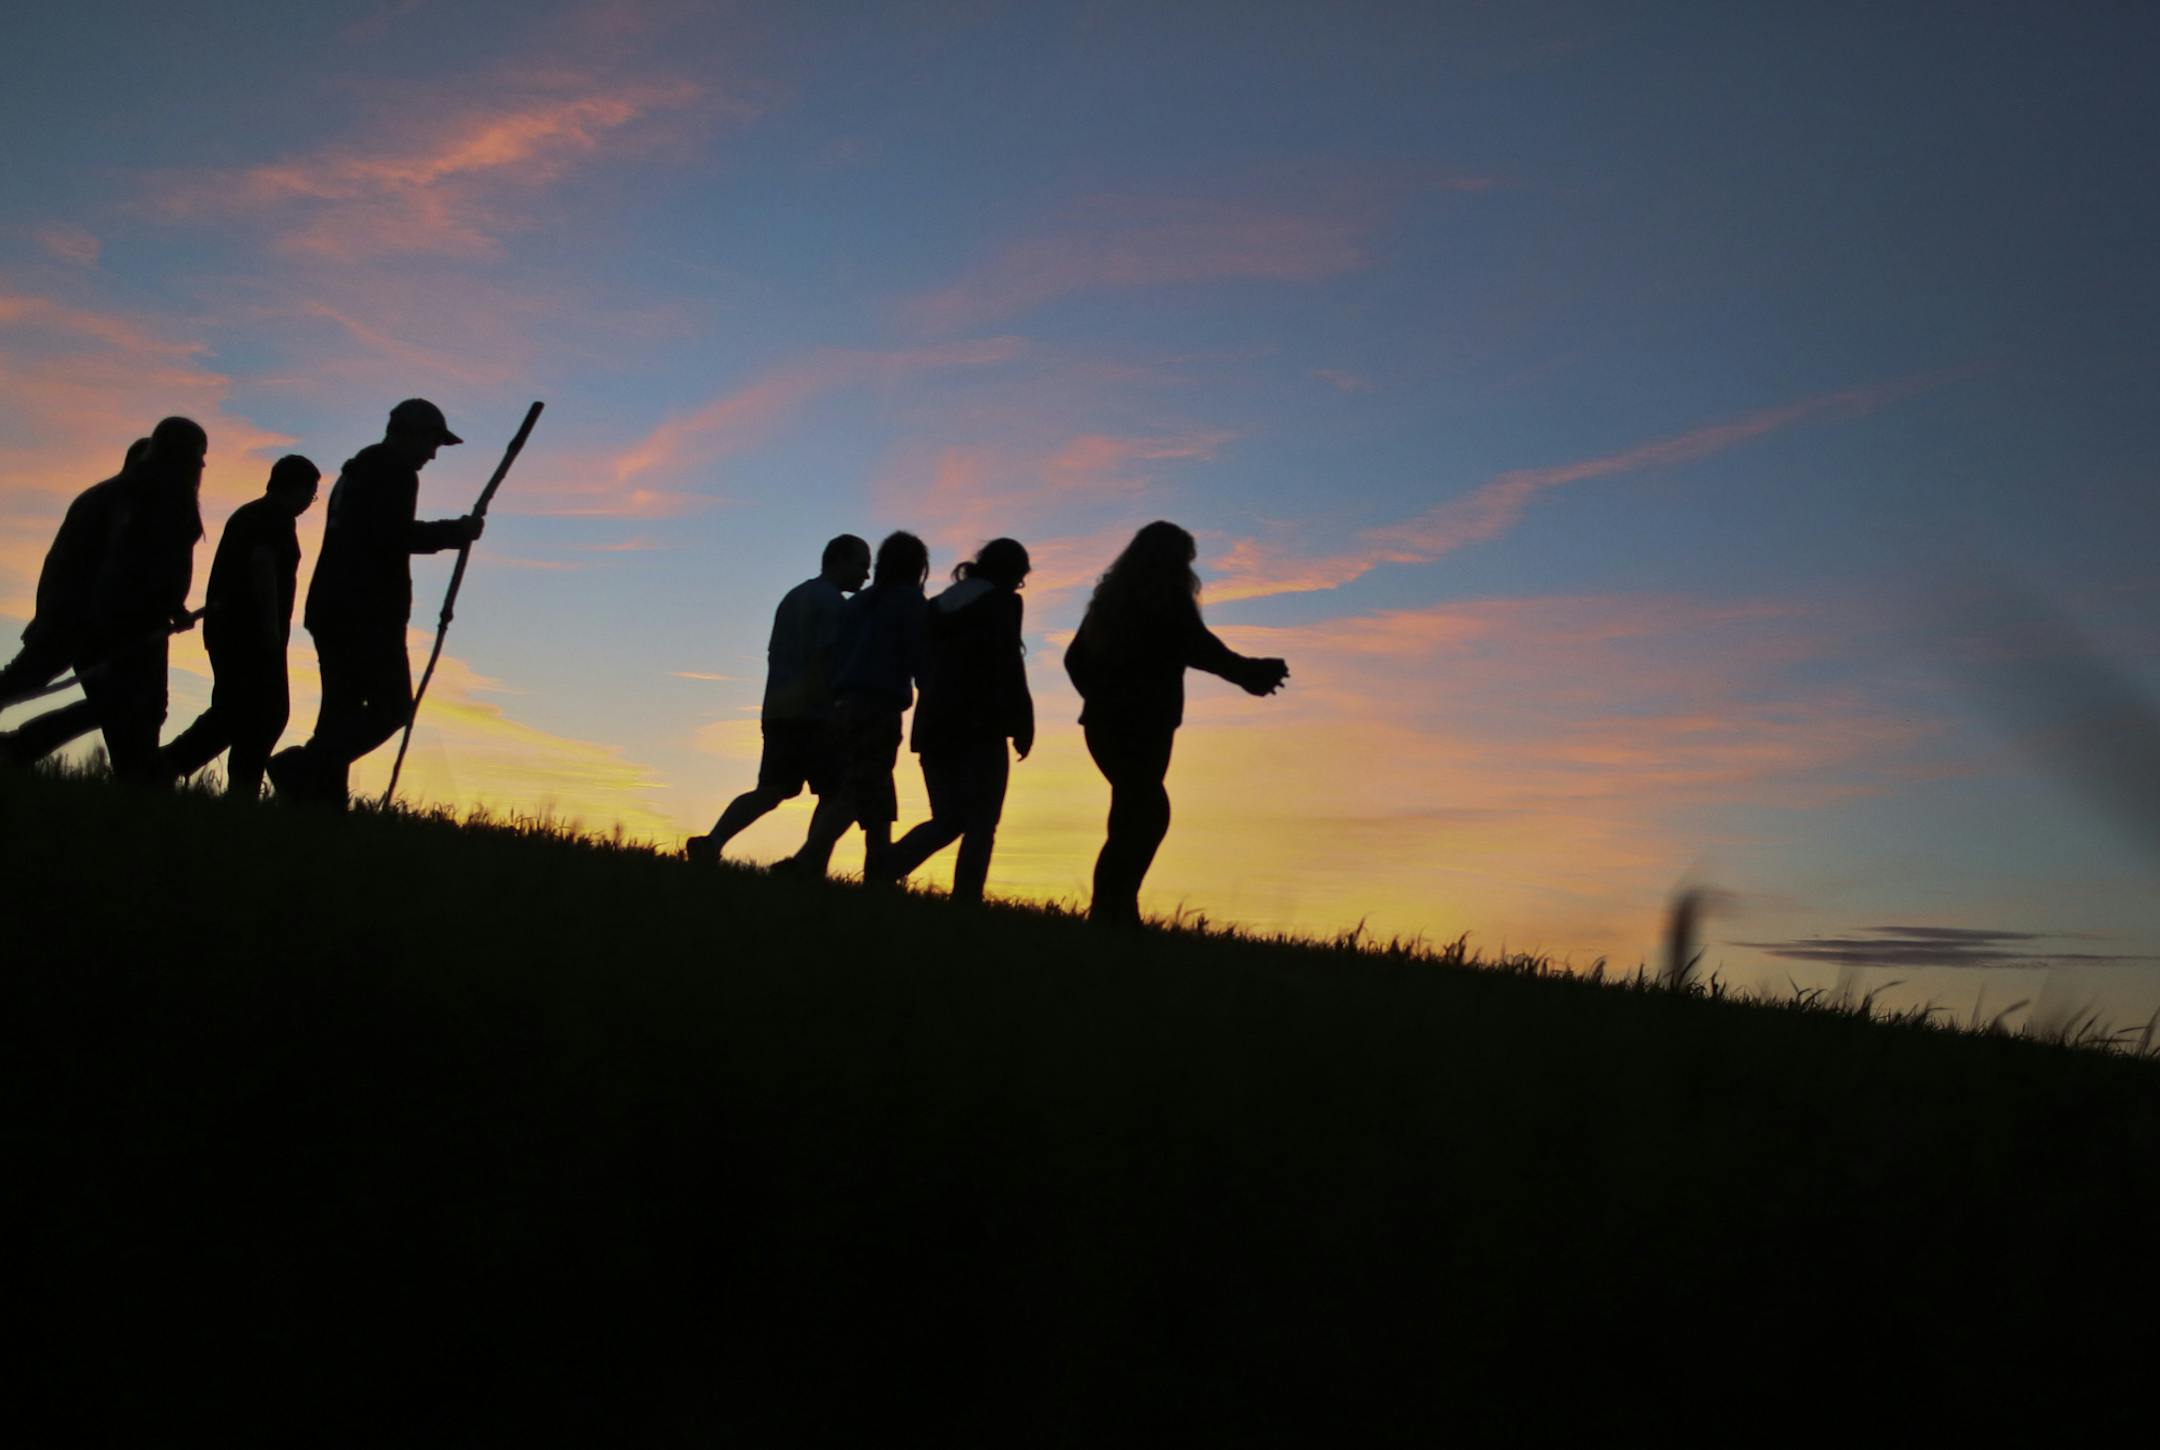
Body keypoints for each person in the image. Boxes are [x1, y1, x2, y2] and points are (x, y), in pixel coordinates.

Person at [1063, 521, 1288, 928]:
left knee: (1132, 813)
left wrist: (1100, 698)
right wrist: (1248, 672)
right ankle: (1111, 911)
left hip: (1107, 723)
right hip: (1144, 723)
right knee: (1146, 813)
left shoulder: (1110, 600)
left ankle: (1114, 913)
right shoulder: (1165, 596)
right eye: (1186, 559)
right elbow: (1198, 646)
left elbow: (1073, 659)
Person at [268, 399, 481, 806]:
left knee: (340, 711)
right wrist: (455, 532)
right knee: (392, 707)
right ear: (410, 434)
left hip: (333, 605)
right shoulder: (393, 471)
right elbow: (391, 535)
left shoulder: (359, 470)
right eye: (432, 442)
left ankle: (322, 806)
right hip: (365, 610)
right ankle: (299, 767)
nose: (433, 454)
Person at [2, 420, 208, 782]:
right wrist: (152, 611)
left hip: (87, 616)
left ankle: (133, 775)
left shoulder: (117, 495)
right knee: (125, 702)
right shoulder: (149, 499)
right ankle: (24, 747)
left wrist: (171, 607)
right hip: (110, 621)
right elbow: (128, 565)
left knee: (118, 702)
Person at [685, 534, 872, 865]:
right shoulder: (833, 606)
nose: (866, 575)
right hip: (815, 714)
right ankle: (809, 865)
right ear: (840, 560)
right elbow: (827, 659)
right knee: (836, 792)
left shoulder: (795, 596)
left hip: (778, 710)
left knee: (772, 790)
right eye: (861, 565)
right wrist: (839, 706)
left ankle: (713, 842)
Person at [874, 538, 1034, 903]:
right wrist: (1023, 723)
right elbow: (1009, 665)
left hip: (933, 725)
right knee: (981, 821)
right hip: (980, 726)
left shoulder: (937, 605)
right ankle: (965, 900)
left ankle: (884, 870)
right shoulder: (1003, 602)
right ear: (1012, 574)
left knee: (948, 819)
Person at [158, 455, 322, 798]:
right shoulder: (273, 517)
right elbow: (262, 565)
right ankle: (170, 767)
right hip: (249, 633)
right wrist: (270, 628)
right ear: (297, 488)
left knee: (239, 713)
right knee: (262, 713)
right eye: (311, 494)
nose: (310, 502)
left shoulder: (251, 514)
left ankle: (179, 770)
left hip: (230, 630)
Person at [784, 530, 929, 879]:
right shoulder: (910, 601)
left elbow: (837, 654)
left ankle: (877, 877)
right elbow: (920, 656)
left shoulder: (858, 603)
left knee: (876, 794)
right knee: (860, 790)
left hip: (844, 705)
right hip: (880, 706)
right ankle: (803, 861)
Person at [0, 436, 149, 712]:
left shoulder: (104, 497)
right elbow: (104, 564)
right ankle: (25, 738)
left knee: (114, 702)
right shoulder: (120, 501)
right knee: (24, 680)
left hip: (70, 613)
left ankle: (26, 738)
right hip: (77, 615)